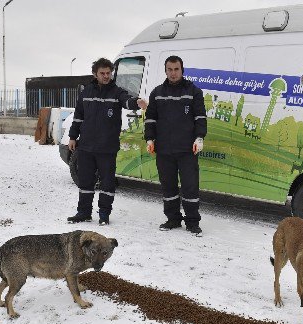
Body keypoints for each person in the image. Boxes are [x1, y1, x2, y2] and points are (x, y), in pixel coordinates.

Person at [67, 58, 147, 225]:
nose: (106, 76)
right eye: (102, 73)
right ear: (95, 74)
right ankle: (83, 212)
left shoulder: (116, 91)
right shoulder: (86, 92)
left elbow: (127, 100)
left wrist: (137, 102)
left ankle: (104, 215)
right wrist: (73, 137)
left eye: (108, 73)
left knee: (107, 183)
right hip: (87, 146)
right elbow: (78, 117)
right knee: (85, 182)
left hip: (107, 148)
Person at [144, 55, 207, 235]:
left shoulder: (194, 91)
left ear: (182, 70)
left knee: (190, 187)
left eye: (176, 69)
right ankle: (173, 219)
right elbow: (150, 119)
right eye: (170, 69)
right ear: (165, 71)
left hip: (187, 150)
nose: (173, 73)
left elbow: (200, 117)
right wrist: (150, 138)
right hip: (164, 150)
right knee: (168, 187)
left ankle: (192, 222)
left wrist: (199, 137)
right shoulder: (157, 93)